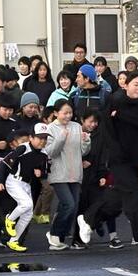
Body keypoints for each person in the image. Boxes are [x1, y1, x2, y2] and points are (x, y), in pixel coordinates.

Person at [105, 73, 138, 249]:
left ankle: (88, 218)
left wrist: (122, 115)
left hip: (136, 156)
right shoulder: (115, 100)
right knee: (135, 194)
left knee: (119, 199)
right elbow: (109, 129)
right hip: (118, 158)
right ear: (125, 85)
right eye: (136, 84)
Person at [44, 99, 90, 250]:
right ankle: (54, 234)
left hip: (75, 172)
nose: (68, 116)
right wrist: (61, 137)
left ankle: (59, 236)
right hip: (59, 173)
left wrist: (86, 142)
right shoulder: (50, 129)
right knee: (68, 204)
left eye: (70, 113)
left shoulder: (76, 126)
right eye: (64, 113)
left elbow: (83, 152)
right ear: (56, 113)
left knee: (72, 206)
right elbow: (50, 152)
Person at [0, 123, 50, 252]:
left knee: (28, 213)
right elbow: (5, 163)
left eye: (45, 138)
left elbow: (46, 171)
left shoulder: (44, 153)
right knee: (26, 204)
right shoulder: (22, 148)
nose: (42, 141)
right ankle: (8, 220)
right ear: (31, 137)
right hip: (14, 181)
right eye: (39, 137)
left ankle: (13, 241)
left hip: (26, 184)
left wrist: (40, 173)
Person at [75, 109, 123, 249]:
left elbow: (102, 155)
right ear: (82, 120)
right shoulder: (75, 132)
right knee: (81, 206)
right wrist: (82, 161)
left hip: (96, 175)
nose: (93, 125)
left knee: (103, 203)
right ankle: (77, 239)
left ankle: (102, 229)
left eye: (96, 122)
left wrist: (102, 174)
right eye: (90, 121)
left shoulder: (100, 135)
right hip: (79, 175)